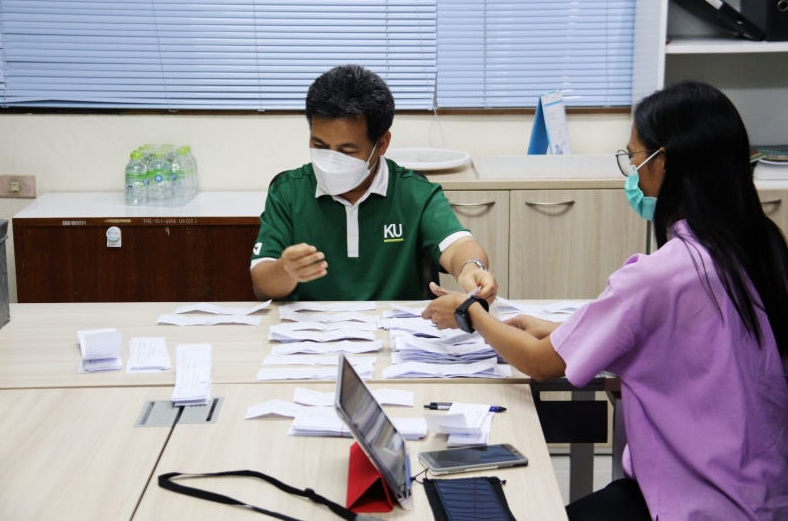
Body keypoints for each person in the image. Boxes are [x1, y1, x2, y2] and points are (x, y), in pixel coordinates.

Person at [422, 81, 788, 520]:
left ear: (662, 162)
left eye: (634, 158)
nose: (632, 173)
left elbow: (540, 363)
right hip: (763, 496)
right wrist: (565, 332)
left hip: (691, 501)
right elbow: (685, 344)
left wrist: (471, 312)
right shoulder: (764, 247)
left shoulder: (660, 275)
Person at [250, 64, 497, 302]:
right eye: (320, 146)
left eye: (347, 151)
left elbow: (459, 245)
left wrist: (471, 268)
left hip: (394, 326)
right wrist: (286, 270)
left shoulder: (415, 193)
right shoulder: (288, 192)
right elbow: (262, 286)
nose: (331, 162)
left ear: (382, 143)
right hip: (310, 327)